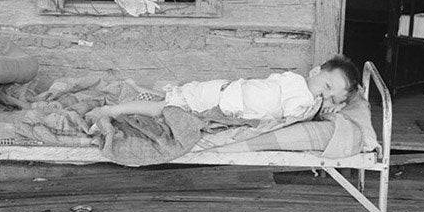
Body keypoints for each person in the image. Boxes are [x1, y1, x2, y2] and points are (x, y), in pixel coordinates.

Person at [86, 55, 361, 134]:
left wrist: (328, 107)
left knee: (172, 103)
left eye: (334, 96)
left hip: (226, 95)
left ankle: (139, 98)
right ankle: (112, 111)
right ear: (315, 72)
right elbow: (294, 117)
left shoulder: (298, 86)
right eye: (326, 86)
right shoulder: (299, 91)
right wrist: (323, 110)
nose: (325, 95)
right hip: (222, 97)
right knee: (166, 107)